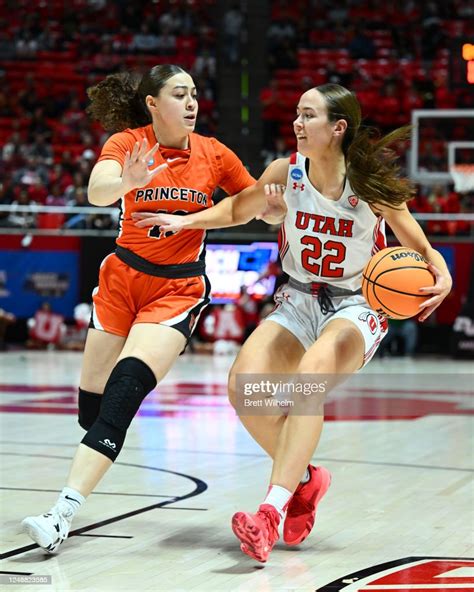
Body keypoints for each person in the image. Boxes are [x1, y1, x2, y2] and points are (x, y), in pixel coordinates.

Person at [132, 83, 453, 563]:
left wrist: (440, 269)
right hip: (298, 300)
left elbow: (420, 243)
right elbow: (240, 208)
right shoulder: (287, 171)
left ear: (337, 128)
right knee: (245, 389)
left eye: (308, 116)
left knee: (308, 383)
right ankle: (306, 479)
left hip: (355, 306)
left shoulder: (368, 184)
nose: (297, 124)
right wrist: (187, 222)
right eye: (296, 115)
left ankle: (270, 511)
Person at [21, 64, 261, 553]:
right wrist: (125, 183)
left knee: (125, 392)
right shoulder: (127, 143)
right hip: (120, 280)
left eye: (194, 93)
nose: (192, 102)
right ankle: (99, 445)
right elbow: (96, 191)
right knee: (94, 407)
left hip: (176, 289)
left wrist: (273, 197)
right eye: (179, 94)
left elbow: (251, 202)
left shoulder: (215, 153)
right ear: (153, 103)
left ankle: (61, 513)